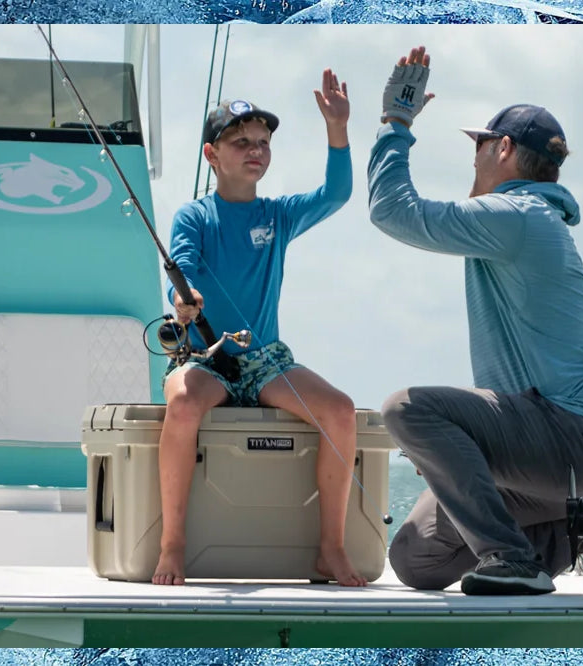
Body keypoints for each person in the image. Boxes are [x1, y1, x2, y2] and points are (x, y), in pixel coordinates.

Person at [367, 46, 583, 596]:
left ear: (503, 148)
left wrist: (396, 124)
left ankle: (511, 557)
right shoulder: (525, 218)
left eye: (478, 145)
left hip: (560, 438)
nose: (472, 158)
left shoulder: (515, 215)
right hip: (538, 458)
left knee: (407, 408)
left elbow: (392, 211)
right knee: (416, 562)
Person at [153, 69, 365, 587]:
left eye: (264, 142)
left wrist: (337, 129)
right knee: (181, 405)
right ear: (212, 155)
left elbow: (336, 193)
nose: (256, 150)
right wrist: (185, 304)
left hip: (267, 363)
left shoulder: (281, 214)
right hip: (206, 361)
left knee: (340, 411)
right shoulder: (193, 217)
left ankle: (330, 550)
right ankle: (173, 543)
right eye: (241, 141)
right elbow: (179, 272)